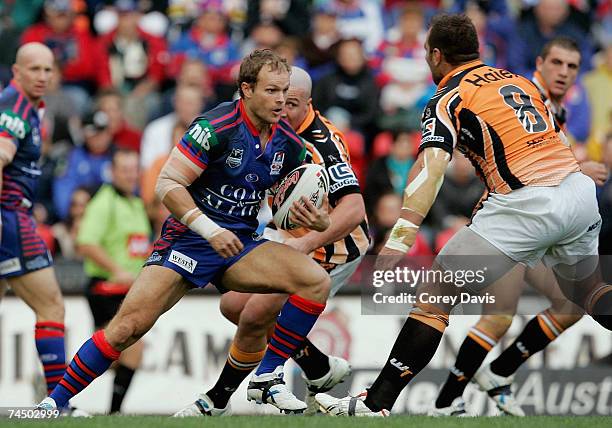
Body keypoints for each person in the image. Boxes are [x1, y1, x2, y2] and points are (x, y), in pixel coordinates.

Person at [315, 14, 611, 417]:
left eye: (426, 54)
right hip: (577, 194)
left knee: (435, 298)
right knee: (590, 293)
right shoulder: (519, 81)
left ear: (436, 55)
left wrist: (401, 236)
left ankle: (375, 402)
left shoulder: (447, 96)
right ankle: (455, 394)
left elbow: (432, 166)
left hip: (525, 204)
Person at [38, 49, 332, 414]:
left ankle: (267, 375)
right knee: (127, 328)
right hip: (190, 240)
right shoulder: (215, 126)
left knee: (315, 281)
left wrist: (318, 220)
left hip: (238, 245)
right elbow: (167, 183)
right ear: (246, 89)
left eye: (285, 92)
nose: (280, 101)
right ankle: (52, 404)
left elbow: (300, 198)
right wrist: (209, 230)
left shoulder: (287, 142)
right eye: (271, 91)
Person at [174, 66, 368, 416]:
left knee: (256, 314)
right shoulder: (266, 126)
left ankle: (224, 396)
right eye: (277, 97)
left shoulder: (324, 142)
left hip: (333, 244)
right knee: (233, 306)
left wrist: (305, 245)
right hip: (288, 233)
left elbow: (354, 209)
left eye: (292, 103)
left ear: (309, 104)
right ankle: (317, 367)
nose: (283, 108)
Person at [431, 36, 610, 417]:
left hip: (545, 224)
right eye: (557, 63)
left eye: (572, 66)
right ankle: (446, 402)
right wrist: (580, 168)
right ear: (540, 63)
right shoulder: (527, 97)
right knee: (499, 315)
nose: (563, 72)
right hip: (510, 220)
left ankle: (499, 371)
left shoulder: (554, 109)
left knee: (572, 304)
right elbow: (525, 170)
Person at [0, 42, 68, 403]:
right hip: (9, 218)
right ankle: (58, 403)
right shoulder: (15, 107)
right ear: (17, 72)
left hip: (14, 213)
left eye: (47, 69)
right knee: (52, 306)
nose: (42, 76)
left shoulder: (30, 107)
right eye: (34, 69)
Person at [76, 149, 151, 414]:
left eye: (134, 169)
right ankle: (114, 413)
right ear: (113, 172)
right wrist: (116, 269)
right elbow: (86, 242)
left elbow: (137, 245)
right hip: (105, 288)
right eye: (125, 170)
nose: (131, 175)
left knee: (111, 355)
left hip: (128, 290)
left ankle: (59, 380)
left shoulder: (136, 203)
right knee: (132, 348)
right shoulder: (103, 202)